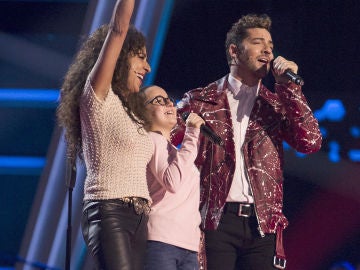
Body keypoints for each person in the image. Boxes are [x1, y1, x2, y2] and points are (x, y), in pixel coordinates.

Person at [171, 14, 322, 270]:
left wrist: (289, 88)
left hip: (262, 225)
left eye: (271, 45)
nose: (268, 50)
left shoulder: (275, 104)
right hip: (215, 221)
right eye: (258, 42)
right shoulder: (199, 101)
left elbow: (311, 141)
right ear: (234, 51)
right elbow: (164, 140)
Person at [57, 0, 153, 269]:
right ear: (121, 55)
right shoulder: (98, 98)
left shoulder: (132, 114)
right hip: (109, 211)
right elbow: (119, 29)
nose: (148, 68)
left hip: (140, 217)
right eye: (141, 57)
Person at [132, 85, 205, 270]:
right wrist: (191, 134)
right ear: (143, 112)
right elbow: (172, 182)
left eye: (169, 100)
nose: (169, 104)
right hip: (160, 241)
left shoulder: (174, 151)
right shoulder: (151, 140)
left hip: (188, 245)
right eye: (159, 101)